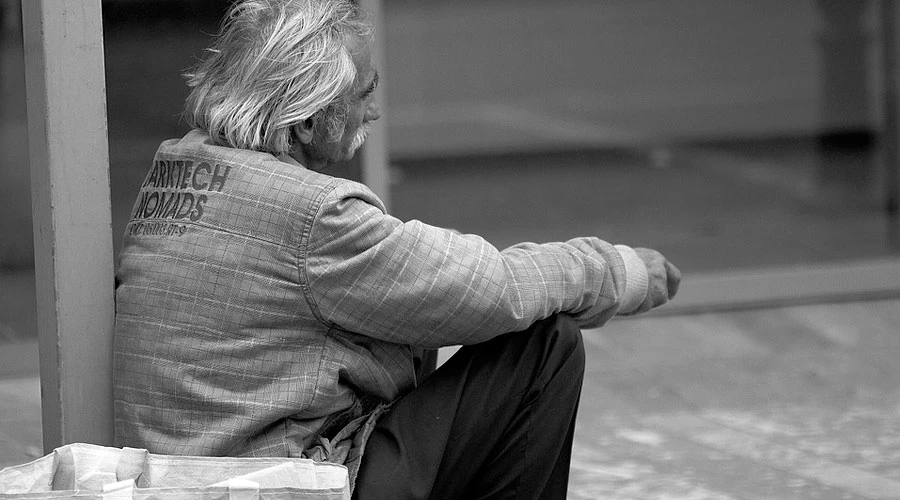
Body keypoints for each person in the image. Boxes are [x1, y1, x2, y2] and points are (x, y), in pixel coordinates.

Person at [112, 0, 681, 498]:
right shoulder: (313, 215)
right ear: (308, 120)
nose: (374, 112)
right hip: (279, 483)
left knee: (410, 325)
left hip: (182, 479)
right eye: (364, 94)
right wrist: (621, 272)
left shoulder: (177, 172)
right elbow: (490, 289)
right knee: (544, 345)